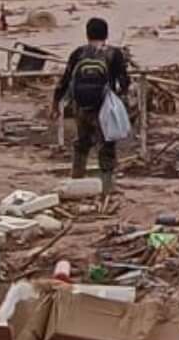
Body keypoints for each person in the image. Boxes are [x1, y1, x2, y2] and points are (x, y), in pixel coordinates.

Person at [52, 16, 132, 204]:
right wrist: (120, 100)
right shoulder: (114, 54)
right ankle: (107, 189)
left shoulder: (78, 53)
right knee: (107, 146)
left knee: (82, 144)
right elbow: (124, 82)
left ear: (87, 34)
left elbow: (64, 81)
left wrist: (55, 104)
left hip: (81, 108)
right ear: (106, 34)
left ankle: (76, 183)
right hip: (104, 108)